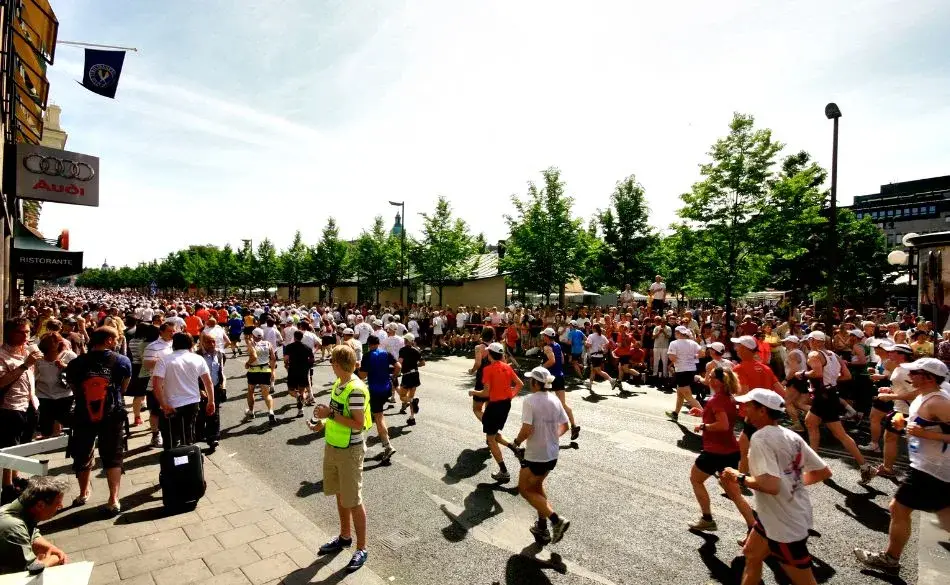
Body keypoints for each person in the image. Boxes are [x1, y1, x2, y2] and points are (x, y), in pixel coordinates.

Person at [722, 389, 833, 585]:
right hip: (777, 516)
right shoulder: (791, 435)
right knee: (751, 554)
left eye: (749, 405)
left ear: (762, 411)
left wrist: (738, 477)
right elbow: (823, 472)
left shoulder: (761, 438)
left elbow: (770, 485)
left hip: (784, 524)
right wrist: (791, 484)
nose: (744, 408)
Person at [854, 357, 950, 575]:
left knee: (897, 508)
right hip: (930, 465)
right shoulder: (924, 396)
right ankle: (891, 558)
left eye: (914, 373)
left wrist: (922, 433)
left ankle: (890, 559)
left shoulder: (939, 401)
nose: (909, 376)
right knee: (945, 515)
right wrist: (906, 424)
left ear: (929, 377)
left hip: (932, 468)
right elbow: (929, 425)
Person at [310, 345, 371, 573]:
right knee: (340, 494)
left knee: (353, 499)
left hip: (350, 450)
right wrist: (323, 423)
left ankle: (362, 548)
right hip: (334, 446)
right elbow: (337, 414)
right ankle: (345, 536)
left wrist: (330, 415)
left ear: (337, 364)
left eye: (332, 362)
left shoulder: (355, 389)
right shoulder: (340, 384)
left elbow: (357, 423)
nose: (331, 366)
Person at [65, 326, 132, 515]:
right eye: (116, 338)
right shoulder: (121, 361)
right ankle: (113, 499)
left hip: (83, 414)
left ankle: (83, 493)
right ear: (109, 340)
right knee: (113, 456)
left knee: (83, 453)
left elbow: (75, 389)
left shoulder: (77, 363)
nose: (118, 341)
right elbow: (123, 387)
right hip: (112, 414)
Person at [796, 331, 875, 483]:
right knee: (810, 422)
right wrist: (831, 380)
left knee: (840, 434)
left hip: (823, 397)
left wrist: (803, 374)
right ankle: (815, 463)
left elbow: (817, 373)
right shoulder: (834, 355)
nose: (808, 343)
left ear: (813, 341)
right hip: (829, 394)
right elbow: (847, 375)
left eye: (809, 340)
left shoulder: (814, 355)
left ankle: (865, 466)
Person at [688, 367, 755, 532]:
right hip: (730, 451)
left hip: (715, 452)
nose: (708, 379)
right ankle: (754, 528)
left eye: (710, 377)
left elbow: (723, 425)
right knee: (734, 494)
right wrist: (703, 413)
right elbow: (722, 416)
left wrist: (703, 425)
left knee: (696, 479)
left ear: (718, 382)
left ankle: (707, 518)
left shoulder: (716, 399)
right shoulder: (729, 398)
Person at [512, 366, 571, 545]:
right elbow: (565, 426)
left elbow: (527, 429)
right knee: (537, 486)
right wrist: (551, 438)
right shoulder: (554, 399)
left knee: (524, 489)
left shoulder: (530, 400)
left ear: (536, 383)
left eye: (532, 380)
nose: (530, 383)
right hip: (552, 453)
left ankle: (555, 520)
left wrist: (516, 442)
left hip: (536, 454)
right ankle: (543, 526)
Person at [0, 319, 42, 502]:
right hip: (11, 407)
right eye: (21, 332)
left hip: (29, 404)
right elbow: (1, 382)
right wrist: (25, 365)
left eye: (28, 332)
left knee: (21, 445)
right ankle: (7, 486)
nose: (26, 336)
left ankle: (15, 478)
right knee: (9, 447)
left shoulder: (26, 351)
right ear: (10, 333)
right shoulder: (2, 355)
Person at [469, 342, 524, 482]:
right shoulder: (507, 367)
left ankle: (504, 471)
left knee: (491, 439)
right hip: (506, 405)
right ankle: (515, 449)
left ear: (490, 354)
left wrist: (473, 392)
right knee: (493, 433)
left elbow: (485, 392)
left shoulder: (488, 369)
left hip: (495, 406)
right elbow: (520, 384)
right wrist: (510, 395)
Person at [152, 333, 214, 448]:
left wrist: (163, 405)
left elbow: (156, 385)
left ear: (173, 345)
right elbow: (208, 382)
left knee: (170, 437)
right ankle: (189, 461)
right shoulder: (198, 358)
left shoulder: (164, 360)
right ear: (191, 344)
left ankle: (173, 462)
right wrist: (211, 401)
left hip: (171, 404)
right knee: (188, 434)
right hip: (192, 402)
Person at [0, 476, 69, 574]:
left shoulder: (19, 509)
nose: (61, 506)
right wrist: (55, 558)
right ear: (40, 505)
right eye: (58, 504)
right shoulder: (14, 528)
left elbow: (32, 532)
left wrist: (50, 548)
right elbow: (29, 571)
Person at [358, 335, 401, 462]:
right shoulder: (386, 353)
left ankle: (387, 445)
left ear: (369, 344)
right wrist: (393, 377)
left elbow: (362, 375)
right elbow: (398, 366)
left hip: (375, 390)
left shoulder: (368, 356)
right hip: (386, 389)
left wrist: (357, 370)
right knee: (376, 414)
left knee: (379, 417)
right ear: (378, 343)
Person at [34, 333, 76, 439]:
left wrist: (65, 366)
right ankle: (48, 436)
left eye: (56, 342)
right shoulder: (38, 358)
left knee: (63, 417)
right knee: (46, 423)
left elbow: (79, 372)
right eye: (51, 342)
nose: (54, 344)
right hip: (44, 394)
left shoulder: (69, 355)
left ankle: (58, 433)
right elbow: (33, 375)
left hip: (64, 394)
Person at [541, 328, 580, 440]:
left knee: (543, 401)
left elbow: (552, 361)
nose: (543, 337)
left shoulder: (547, 347)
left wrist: (541, 367)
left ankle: (546, 427)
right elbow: (562, 360)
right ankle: (573, 425)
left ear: (547, 337)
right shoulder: (557, 345)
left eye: (544, 335)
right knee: (562, 404)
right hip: (560, 376)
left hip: (549, 378)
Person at [141, 323, 174, 448]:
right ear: (161, 332)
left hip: (172, 385)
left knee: (170, 411)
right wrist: (166, 361)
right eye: (170, 331)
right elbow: (147, 364)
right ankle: (155, 435)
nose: (172, 333)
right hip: (155, 385)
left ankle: (170, 435)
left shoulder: (175, 345)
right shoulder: (152, 346)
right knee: (155, 412)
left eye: (173, 331)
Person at [195, 333, 227, 452]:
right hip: (201, 389)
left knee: (214, 414)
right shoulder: (197, 356)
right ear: (202, 343)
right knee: (200, 414)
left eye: (213, 341)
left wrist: (222, 386)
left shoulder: (220, 354)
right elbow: (191, 375)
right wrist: (199, 389)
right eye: (208, 342)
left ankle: (213, 438)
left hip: (215, 388)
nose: (212, 344)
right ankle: (198, 436)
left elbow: (221, 371)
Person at [666, 326, 703, 421]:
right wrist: (692, 357)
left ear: (678, 333)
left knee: (688, 396)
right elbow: (702, 354)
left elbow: (672, 358)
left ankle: (706, 417)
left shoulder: (674, 343)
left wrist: (681, 359)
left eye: (675, 332)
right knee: (680, 393)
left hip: (682, 371)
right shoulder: (693, 343)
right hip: (691, 370)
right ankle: (675, 414)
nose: (674, 334)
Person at [245, 328, 277, 424]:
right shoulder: (268, 344)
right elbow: (273, 358)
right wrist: (272, 371)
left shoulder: (251, 344)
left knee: (251, 391)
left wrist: (247, 363)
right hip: (265, 370)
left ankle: (251, 411)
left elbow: (253, 357)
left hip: (253, 370)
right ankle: (271, 412)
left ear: (253, 335)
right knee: (266, 394)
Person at [284, 330, 315, 417]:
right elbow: (312, 360)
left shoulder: (289, 347)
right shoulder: (307, 348)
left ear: (294, 337)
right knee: (302, 392)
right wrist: (308, 365)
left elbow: (286, 359)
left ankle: (297, 396)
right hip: (303, 372)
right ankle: (300, 410)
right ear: (302, 337)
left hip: (293, 370)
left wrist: (286, 365)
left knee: (291, 391)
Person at [397, 333, 424, 426]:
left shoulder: (403, 350)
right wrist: (414, 365)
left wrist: (397, 372)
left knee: (402, 396)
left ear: (406, 341)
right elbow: (423, 363)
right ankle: (412, 418)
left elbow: (400, 362)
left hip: (407, 375)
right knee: (411, 396)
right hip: (415, 374)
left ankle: (413, 401)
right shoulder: (417, 350)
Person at [468, 329, 494, 422]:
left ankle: (490, 426)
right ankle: (491, 434)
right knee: (489, 409)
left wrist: (472, 370)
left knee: (477, 409)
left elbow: (478, 363)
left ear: (482, 335)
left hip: (482, 379)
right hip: (494, 380)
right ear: (493, 336)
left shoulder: (479, 347)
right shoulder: (495, 347)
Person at [585, 324, 615, 392]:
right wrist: (604, 349)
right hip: (600, 356)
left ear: (594, 328)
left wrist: (585, 343)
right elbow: (608, 343)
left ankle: (611, 380)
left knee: (598, 371)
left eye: (592, 328)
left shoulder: (591, 336)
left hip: (594, 356)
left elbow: (588, 345)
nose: (591, 329)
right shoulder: (602, 336)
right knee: (593, 370)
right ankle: (590, 384)